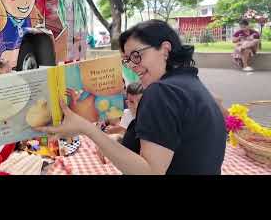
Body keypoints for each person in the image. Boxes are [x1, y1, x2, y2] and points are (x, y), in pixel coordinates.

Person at [37, 19, 227, 175]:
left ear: (165, 50)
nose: (133, 66)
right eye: (128, 60)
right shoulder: (191, 84)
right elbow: (175, 144)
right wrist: (118, 141)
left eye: (137, 56)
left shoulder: (162, 92)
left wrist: (87, 129)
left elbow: (150, 171)